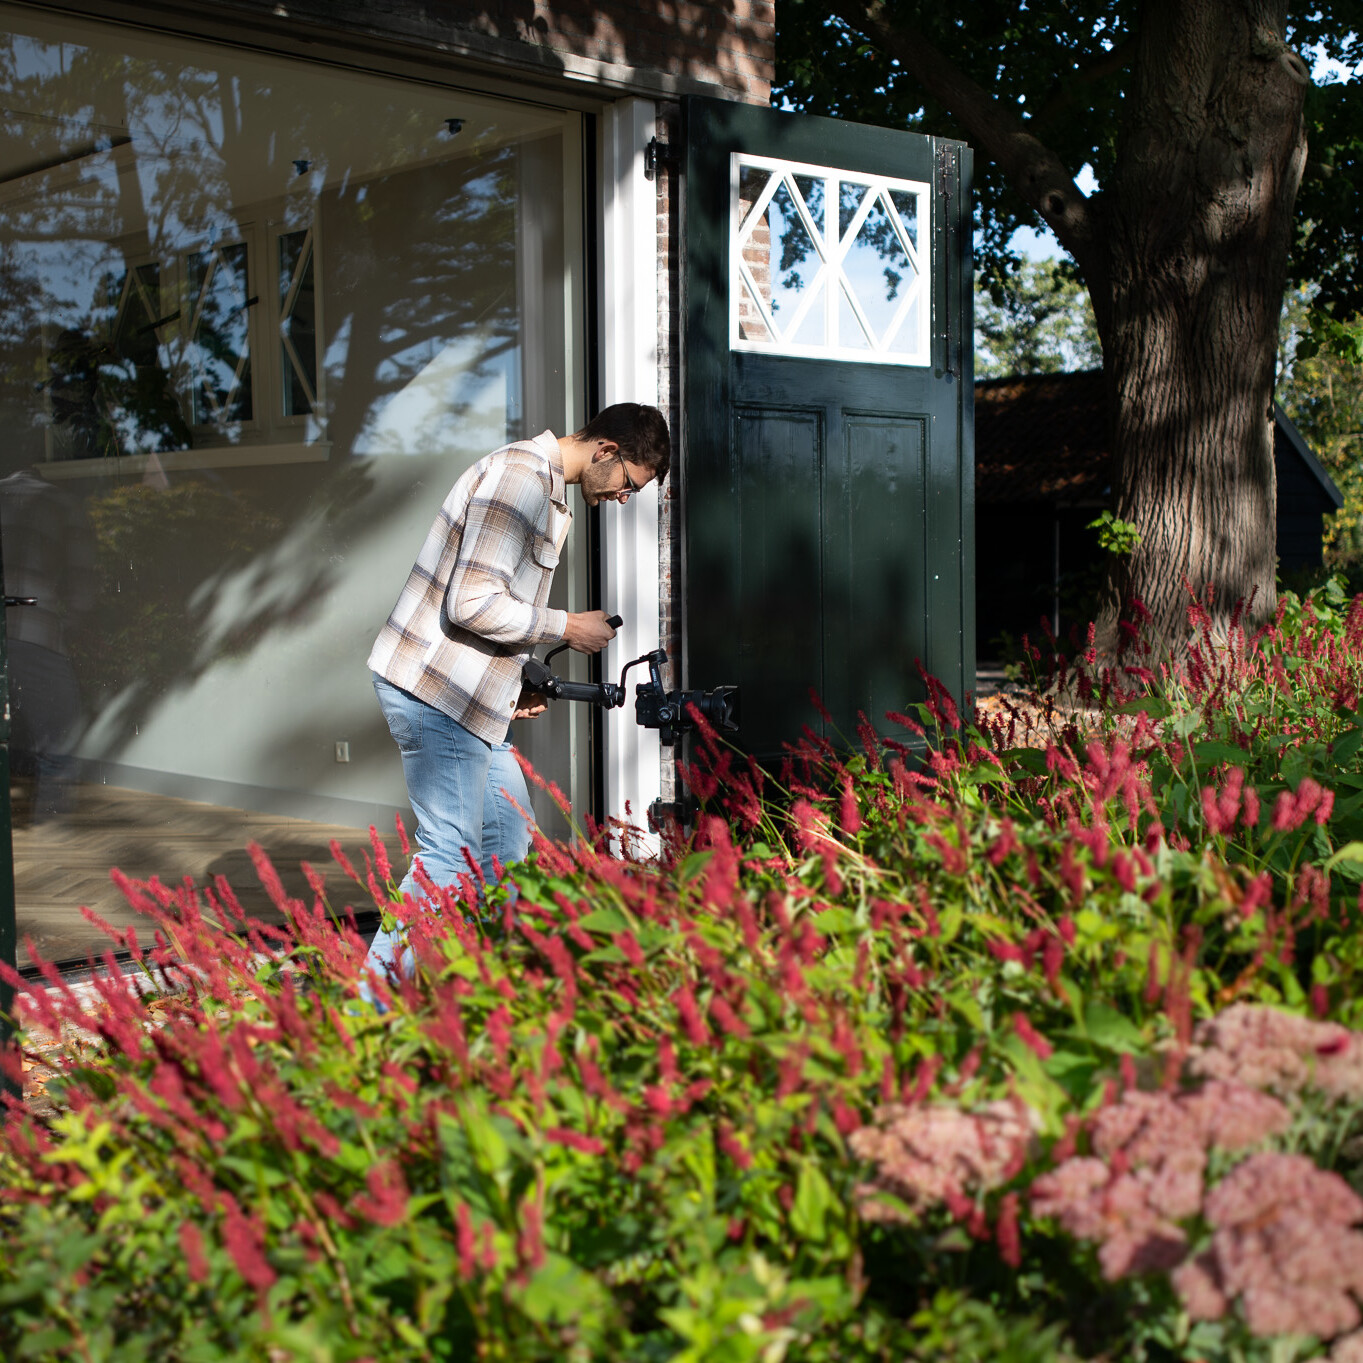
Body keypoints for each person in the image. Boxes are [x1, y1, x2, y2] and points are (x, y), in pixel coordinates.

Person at [363, 403, 671, 982]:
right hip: (436, 692)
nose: (624, 498)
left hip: (469, 696)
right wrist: (567, 626)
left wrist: (513, 679)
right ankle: (366, 1010)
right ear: (606, 450)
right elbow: (471, 603)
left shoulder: (548, 492)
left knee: (506, 844)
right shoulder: (520, 480)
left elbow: (489, 607)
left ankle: (487, 990)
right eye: (630, 484)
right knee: (448, 855)